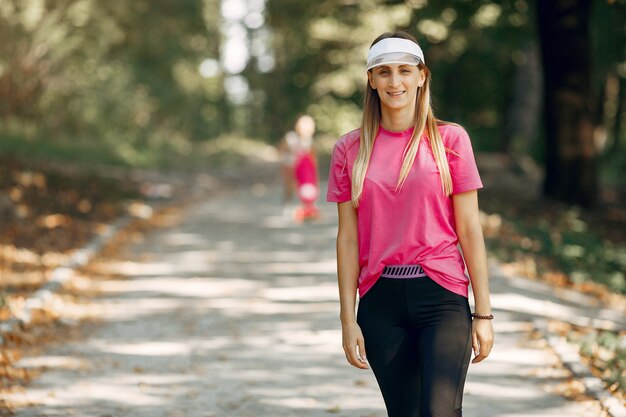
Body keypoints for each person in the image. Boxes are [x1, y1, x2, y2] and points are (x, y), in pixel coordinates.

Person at [326, 31, 494, 417]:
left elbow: (470, 230)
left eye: (404, 70)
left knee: (440, 411)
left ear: (422, 76)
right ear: (371, 79)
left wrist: (483, 314)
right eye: (383, 72)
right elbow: (347, 240)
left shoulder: (450, 140)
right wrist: (347, 319)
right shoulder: (349, 149)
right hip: (379, 304)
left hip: (442, 298)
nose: (394, 81)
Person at [278, 114, 320, 221]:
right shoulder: (291, 137)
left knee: (305, 186)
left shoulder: (310, 142)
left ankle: (306, 209)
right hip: (290, 165)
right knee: (289, 186)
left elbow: (313, 158)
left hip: (303, 168)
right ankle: (288, 205)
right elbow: (281, 149)